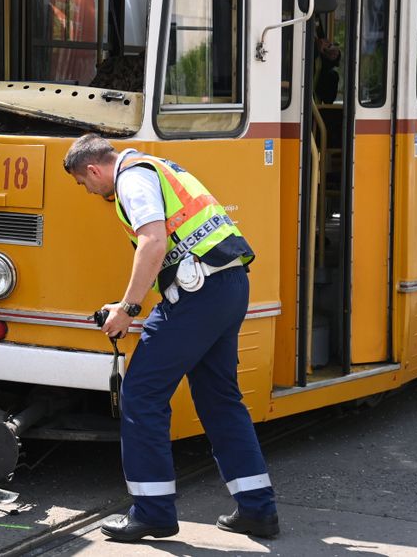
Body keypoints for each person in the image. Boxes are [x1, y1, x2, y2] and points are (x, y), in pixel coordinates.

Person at [63, 133, 279, 542]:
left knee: (142, 394)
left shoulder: (131, 179)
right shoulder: (158, 168)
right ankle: (257, 509)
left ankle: (153, 511)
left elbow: (153, 241)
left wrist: (128, 309)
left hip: (197, 294)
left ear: (93, 169)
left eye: (83, 183)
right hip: (228, 283)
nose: (88, 190)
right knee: (220, 400)